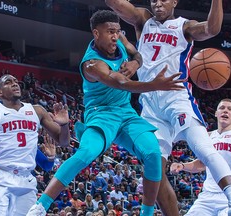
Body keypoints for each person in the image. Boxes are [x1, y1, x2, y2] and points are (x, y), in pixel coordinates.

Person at [27, 9, 184, 216]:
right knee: (86, 153)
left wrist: (135, 63)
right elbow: (120, 82)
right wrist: (154, 84)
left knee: (153, 154)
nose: (115, 36)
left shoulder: (119, 40)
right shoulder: (92, 65)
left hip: (126, 113)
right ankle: (40, 206)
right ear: (96, 33)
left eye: (117, 31)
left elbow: (136, 53)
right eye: (110, 31)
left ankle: (146, 214)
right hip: (101, 113)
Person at [105, 0, 231, 215]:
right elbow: (115, 4)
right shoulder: (143, 19)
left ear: (174, 1)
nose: (158, 3)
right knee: (154, 167)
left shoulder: (185, 26)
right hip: (150, 103)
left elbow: (212, 29)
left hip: (176, 98)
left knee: (203, 149)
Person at [0, 74, 70, 216]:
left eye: (16, 81)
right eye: (8, 82)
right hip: (0, 178)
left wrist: (64, 124)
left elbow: (64, 141)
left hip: (27, 180)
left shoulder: (37, 111)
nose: (15, 84)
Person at [170, 97, 231, 215]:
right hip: (207, 197)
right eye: (222, 108)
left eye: (229, 109)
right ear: (216, 113)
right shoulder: (208, 136)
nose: (225, 111)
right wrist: (182, 165)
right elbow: (201, 164)